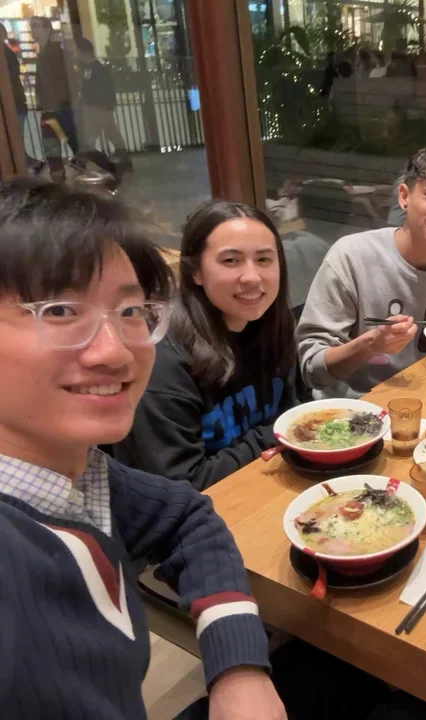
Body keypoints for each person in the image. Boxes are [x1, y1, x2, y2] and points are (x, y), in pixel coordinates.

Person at [0, 178, 284, 719]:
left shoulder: (80, 472)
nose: (114, 352)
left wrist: (238, 666)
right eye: (59, 311)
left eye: (130, 312)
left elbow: (187, 517)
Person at [112, 200, 298, 490]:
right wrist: (275, 434)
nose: (251, 277)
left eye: (264, 260)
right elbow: (183, 484)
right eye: (231, 261)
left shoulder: (273, 326)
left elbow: (296, 411)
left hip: (266, 484)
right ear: (195, 271)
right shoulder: (162, 359)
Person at [297, 145, 426, 399]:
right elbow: (313, 370)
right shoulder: (351, 256)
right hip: (353, 411)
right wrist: (371, 344)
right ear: (404, 196)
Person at [30, 17, 80, 182]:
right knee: (52, 149)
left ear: (47, 30)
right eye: (31, 26)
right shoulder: (42, 53)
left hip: (60, 108)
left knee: (76, 144)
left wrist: (61, 102)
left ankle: (105, 169)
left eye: (36, 26)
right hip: (49, 109)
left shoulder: (56, 52)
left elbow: (69, 78)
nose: (32, 29)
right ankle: (59, 183)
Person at [75, 38, 130, 169]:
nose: (76, 55)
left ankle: (85, 162)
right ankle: (124, 159)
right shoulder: (90, 69)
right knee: (111, 133)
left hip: (97, 107)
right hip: (97, 107)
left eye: (77, 52)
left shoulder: (96, 69)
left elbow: (103, 88)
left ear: (84, 52)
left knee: (91, 136)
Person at [0, 24, 41, 170]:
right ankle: (31, 164)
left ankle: (29, 166)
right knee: (15, 141)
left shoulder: (6, 55)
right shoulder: (8, 53)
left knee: (15, 141)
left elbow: (9, 80)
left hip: (14, 104)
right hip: (15, 103)